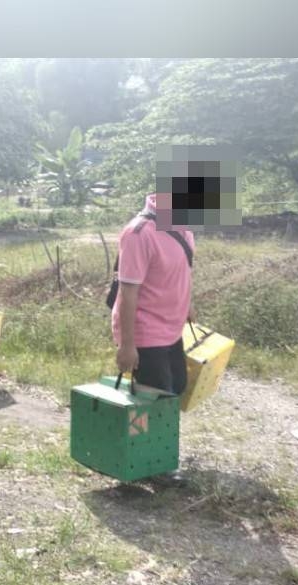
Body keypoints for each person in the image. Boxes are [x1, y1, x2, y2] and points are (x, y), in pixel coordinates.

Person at [111, 192, 196, 478]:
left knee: (176, 387)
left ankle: (151, 451)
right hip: (146, 330)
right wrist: (126, 344)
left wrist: (188, 304)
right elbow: (128, 292)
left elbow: (182, 269)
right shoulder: (138, 234)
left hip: (172, 327)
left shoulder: (183, 226)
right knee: (158, 397)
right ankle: (155, 464)